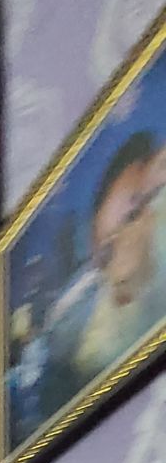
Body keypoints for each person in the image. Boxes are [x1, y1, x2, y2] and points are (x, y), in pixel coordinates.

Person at [75, 131, 166, 382]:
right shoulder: (105, 315)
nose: (128, 240)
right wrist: (126, 295)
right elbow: (94, 361)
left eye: (135, 211)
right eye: (109, 252)